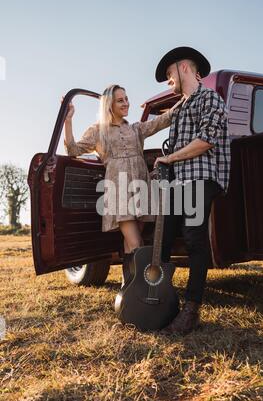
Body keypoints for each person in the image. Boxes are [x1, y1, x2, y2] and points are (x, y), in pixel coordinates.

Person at [63, 84, 179, 289]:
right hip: (119, 189)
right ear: (109, 104)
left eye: (126, 99)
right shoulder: (98, 131)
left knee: (131, 242)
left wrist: (186, 98)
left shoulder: (135, 128)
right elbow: (73, 150)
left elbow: (164, 119)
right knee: (136, 244)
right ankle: (143, 289)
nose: (126, 103)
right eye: (120, 100)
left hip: (141, 186)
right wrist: (68, 119)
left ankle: (128, 287)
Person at [153, 46, 231, 335]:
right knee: (161, 241)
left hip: (201, 178)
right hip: (179, 181)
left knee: (193, 238)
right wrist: (165, 164)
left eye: (169, 74)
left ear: (184, 68)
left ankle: (191, 311)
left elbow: (206, 141)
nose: (168, 80)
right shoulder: (181, 107)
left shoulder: (209, 98)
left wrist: (169, 158)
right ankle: (159, 302)